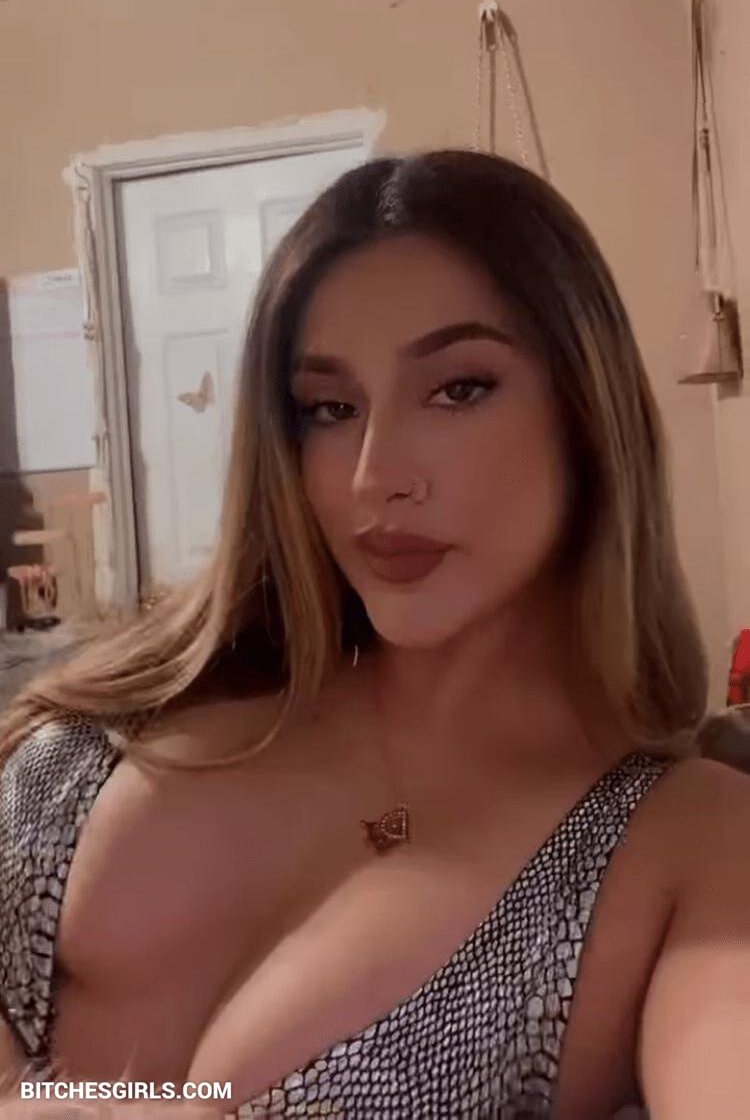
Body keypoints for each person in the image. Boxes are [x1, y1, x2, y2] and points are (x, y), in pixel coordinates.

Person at [0, 149, 748, 1120]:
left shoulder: (692, 845)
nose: (373, 476)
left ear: (586, 410)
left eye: (459, 388)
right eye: (330, 408)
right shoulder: (143, 704)